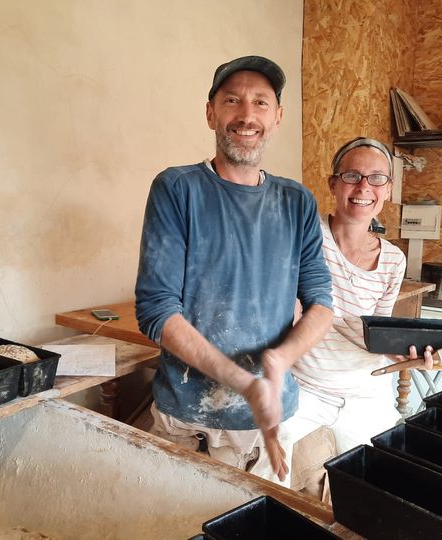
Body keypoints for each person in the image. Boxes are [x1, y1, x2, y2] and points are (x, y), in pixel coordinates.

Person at [135, 55, 334, 485]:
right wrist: (245, 381)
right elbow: (156, 310)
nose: (247, 115)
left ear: (277, 117)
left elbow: (321, 304)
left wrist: (279, 362)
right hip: (188, 417)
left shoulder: (297, 201)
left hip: (268, 422)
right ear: (211, 113)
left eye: (261, 103)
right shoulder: (177, 189)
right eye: (232, 101)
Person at [288, 137, 433, 494]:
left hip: (365, 391)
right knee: (270, 474)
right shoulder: (303, 236)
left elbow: (377, 332)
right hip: (306, 388)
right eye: (352, 175)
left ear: (388, 190)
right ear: (333, 184)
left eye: (377, 178)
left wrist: (404, 354)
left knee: (380, 486)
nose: (364, 187)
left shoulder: (393, 261)